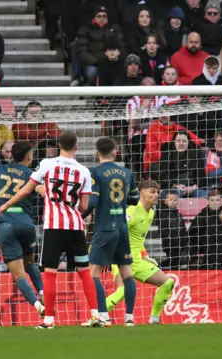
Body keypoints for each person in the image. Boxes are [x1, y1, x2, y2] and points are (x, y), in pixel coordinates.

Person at [0, 131, 97, 329]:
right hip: (75, 226)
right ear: (76, 147)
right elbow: (85, 206)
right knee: (84, 272)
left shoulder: (47, 164)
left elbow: (27, 189)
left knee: (50, 273)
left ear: (59, 145)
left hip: (54, 226)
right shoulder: (84, 171)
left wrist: (6, 205)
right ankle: (96, 315)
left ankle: (49, 320)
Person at [0, 142, 45, 324]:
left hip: (5, 225)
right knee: (30, 261)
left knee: (18, 274)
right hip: (26, 224)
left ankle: (38, 305)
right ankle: (43, 292)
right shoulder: (31, 174)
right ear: (29, 156)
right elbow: (42, 191)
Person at [83, 137, 139, 327]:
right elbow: (134, 200)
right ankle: (130, 317)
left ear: (96, 152)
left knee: (93, 272)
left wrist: (78, 213)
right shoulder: (126, 172)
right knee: (126, 271)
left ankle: (102, 315)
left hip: (104, 227)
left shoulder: (95, 173)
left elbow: (92, 201)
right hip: (122, 228)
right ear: (115, 152)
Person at [104, 180, 174, 324]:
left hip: (137, 260)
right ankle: (98, 315)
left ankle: (154, 319)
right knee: (123, 291)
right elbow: (115, 232)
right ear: (142, 193)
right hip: (122, 259)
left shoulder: (151, 213)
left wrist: (145, 256)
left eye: (157, 192)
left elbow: (138, 239)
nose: (157, 195)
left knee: (168, 283)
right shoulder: (131, 212)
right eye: (152, 192)